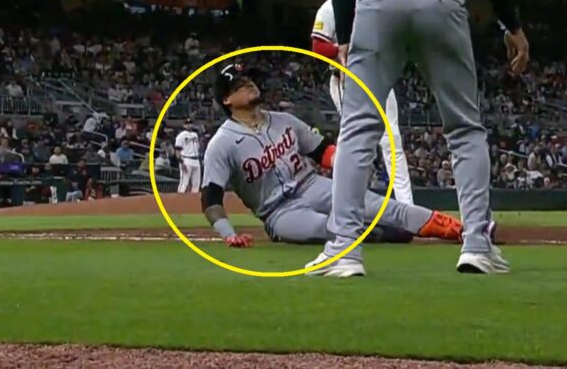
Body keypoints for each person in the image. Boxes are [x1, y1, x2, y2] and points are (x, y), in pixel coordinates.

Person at [312, 0, 528, 276]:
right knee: (464, 128)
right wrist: (513, 25)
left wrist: (347, 36)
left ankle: (343, 250)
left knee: (358, 129)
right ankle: (477, 244)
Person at [199, 64, 464, 254]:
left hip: (313, 185)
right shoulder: (222, 144)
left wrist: (346, 165)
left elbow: (322, 151)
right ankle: (380, 233)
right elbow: (211, 198)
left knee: (384, 207)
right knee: (330, 229)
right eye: (239, 85)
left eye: (249, 80)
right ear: (227, 99)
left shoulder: (284, 121)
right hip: (278, 212)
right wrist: (228, 234)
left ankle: (461, 229)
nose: (249, 84)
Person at [312, 0, 414, 205]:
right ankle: (347, 201)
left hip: (379, 77)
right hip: (347, 81)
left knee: (392, 141)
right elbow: (318, 47)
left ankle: (406, 205)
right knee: (355, 141)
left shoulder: (377, 1)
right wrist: (345, 49)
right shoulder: (331, 7)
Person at [175, 118, 202, 193]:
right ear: (184, 125)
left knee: (196, 183)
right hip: (186, 159)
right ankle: (179, 197)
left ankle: (194, 199)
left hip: (196, 159)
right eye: (187, 124)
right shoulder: (181, 135)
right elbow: (177, 150)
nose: (189, 125)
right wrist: (181, 163)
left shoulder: (195, 134)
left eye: (190, 123)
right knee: (184, 182)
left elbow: (198, 147)